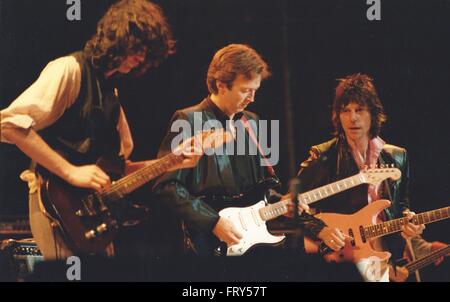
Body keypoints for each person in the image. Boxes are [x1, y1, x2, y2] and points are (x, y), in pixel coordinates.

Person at [0, 0, 201, 260]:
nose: (141, 57)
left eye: (146, 52)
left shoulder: (110, 91)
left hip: (91, 216)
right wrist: (71, 172)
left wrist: (171, 162)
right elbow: (10, 124)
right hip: (56, 204)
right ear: (119, 37)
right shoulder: (69, 69)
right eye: (138, 48)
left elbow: (117, 169)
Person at [296, 73, 446, 281]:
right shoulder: (324, 156)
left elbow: (400, 203)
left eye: (359, 110)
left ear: (373, 113)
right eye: (345, 111)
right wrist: (321, 230)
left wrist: (409, 223)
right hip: (342, 257)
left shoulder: (396, 156)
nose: (352, 118)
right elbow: (290, 204)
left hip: (382, 253)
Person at [153, 44, 288, 256]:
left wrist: (281, 203)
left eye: (255, 91)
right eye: (245, 90)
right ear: (221, 85)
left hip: (249, 242)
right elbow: (166, 186)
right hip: (204, 243)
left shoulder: (253, 122)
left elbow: (261, 187)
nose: (252, 98)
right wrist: (213, 222)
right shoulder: (188, 120)